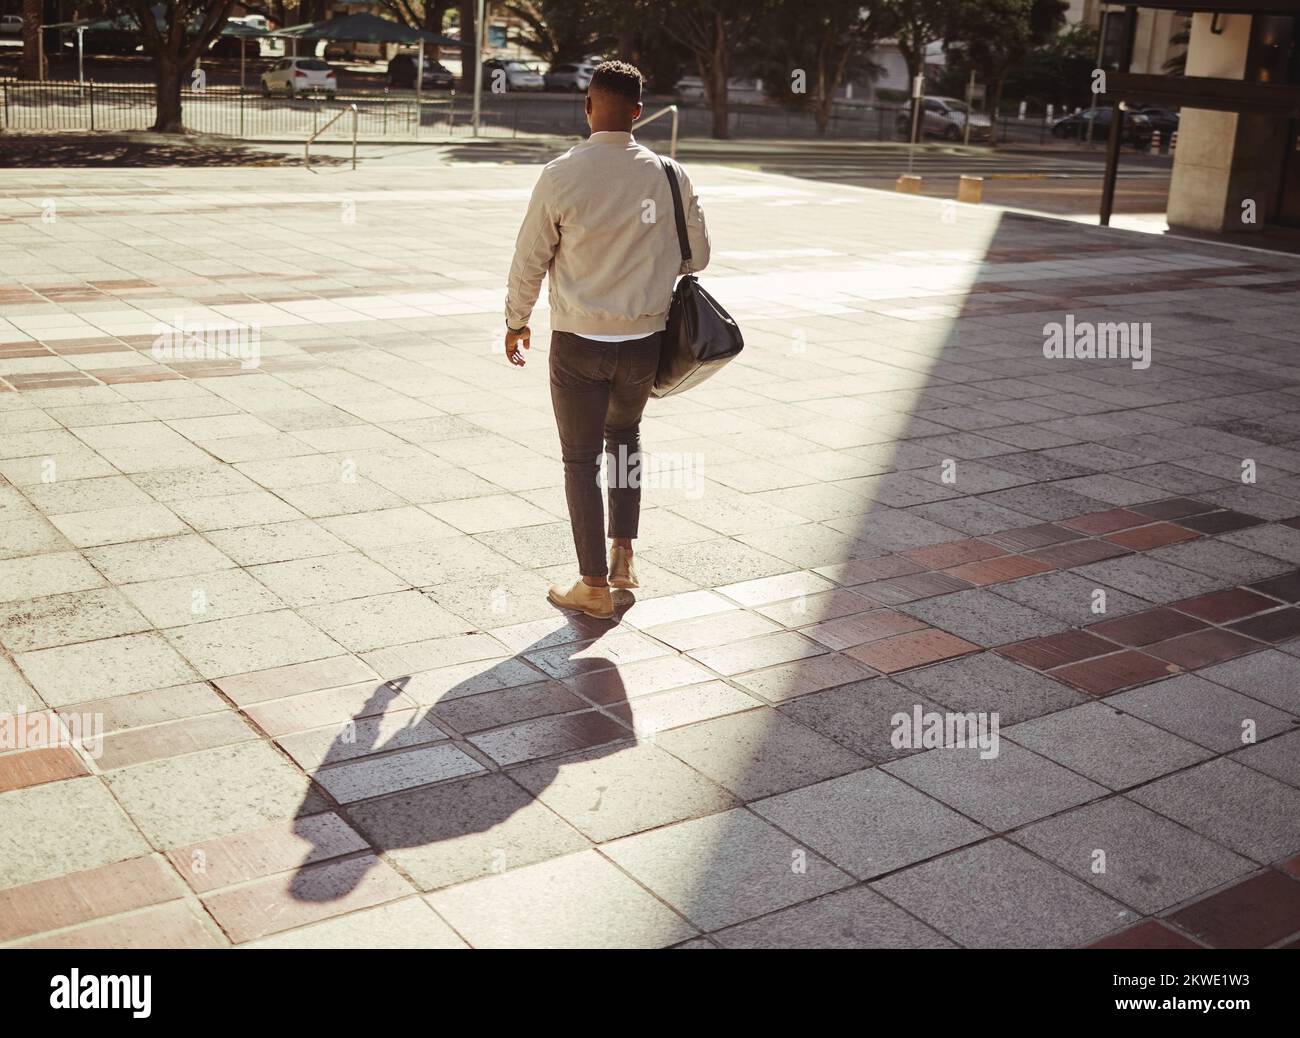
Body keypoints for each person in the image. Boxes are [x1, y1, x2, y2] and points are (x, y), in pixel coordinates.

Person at [503, 60, 710, 619]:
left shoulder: (560, 174)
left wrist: (516, 320)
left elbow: (530, 257)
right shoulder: (670, 175)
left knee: (579, 459)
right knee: (625, 439)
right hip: (644, 339)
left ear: (589, 107)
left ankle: (592, 586)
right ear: (639, 113)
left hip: (576, 341)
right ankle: (623, 558)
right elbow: (700, 257)